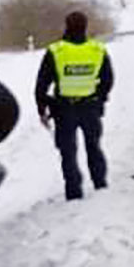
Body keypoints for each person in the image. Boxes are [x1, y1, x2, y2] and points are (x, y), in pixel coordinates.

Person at [35, 10, 113, 201]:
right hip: (90, 107)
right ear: (86, 26)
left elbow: (41, 85)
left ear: (66, 26)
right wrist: (100, 99)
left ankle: (73, 191)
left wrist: (42, 109)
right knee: (94, 146)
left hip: (64, 108)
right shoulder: (97, 49)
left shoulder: (56, 51)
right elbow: (107, 79)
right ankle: (100, 183)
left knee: (68, 152)